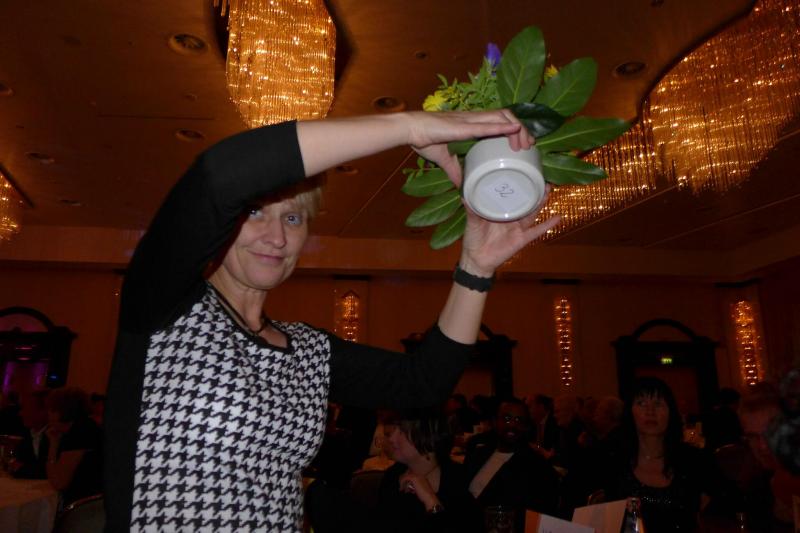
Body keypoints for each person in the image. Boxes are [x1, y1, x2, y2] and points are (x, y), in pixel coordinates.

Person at [104, 110, 560, 531]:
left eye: (293, 217)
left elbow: (423, 383)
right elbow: (218, 174)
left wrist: (476, 267)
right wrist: (409, 127)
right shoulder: (166, 306)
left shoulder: (308, 350)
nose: (277, 236)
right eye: (255, 211)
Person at [604, 377, 721, 533]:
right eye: (641, 403)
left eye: (658, 404)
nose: (650, 411)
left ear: (670, 412)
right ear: (630, 413)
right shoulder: (613, 462)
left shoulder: (694, 460)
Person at [371, 409, 480, 533]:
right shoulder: (393, 475)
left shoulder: (458, 480)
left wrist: (430, 501)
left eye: (401, 430)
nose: (391, 438)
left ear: (428, 436)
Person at [464, 398, 559, 530]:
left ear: (526, 426)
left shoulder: (538, 468)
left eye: (519, 420)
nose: (513, 425)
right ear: (495, 422)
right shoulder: (479, 454)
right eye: (507, 419)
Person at [45, 387, 103, 505]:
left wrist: (53, 444)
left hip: (83, 505)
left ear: (60, 411)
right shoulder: (85, 426)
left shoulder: (80, 432)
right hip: (91, 501)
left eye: (51, 410)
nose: (48, 414)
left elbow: (59, 482)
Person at [9, 389, 50, 479]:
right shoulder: (27, 434)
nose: (20, 413)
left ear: (43, 412)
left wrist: (23, 468)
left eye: (24, 408)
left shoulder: (55, 436)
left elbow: (49, 471)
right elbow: (16, 465)